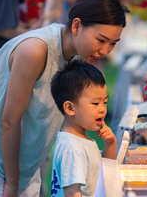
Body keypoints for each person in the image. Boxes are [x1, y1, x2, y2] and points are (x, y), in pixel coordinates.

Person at [0, 0, 129, 196]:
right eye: (101, 40)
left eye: (113, 44)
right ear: (77, 26)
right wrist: (12, 184)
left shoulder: (80, 55)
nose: (105, 51)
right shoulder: (35, 50)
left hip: (24, 168)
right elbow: (9, 121)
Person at [50, 60, 115, 196]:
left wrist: (110, 143)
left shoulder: (79, 141)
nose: (103, 109)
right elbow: (72, 193)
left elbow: (105, 170)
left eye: (105, 102)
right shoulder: (73, 149)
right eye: (96, 103)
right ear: (70, 108)